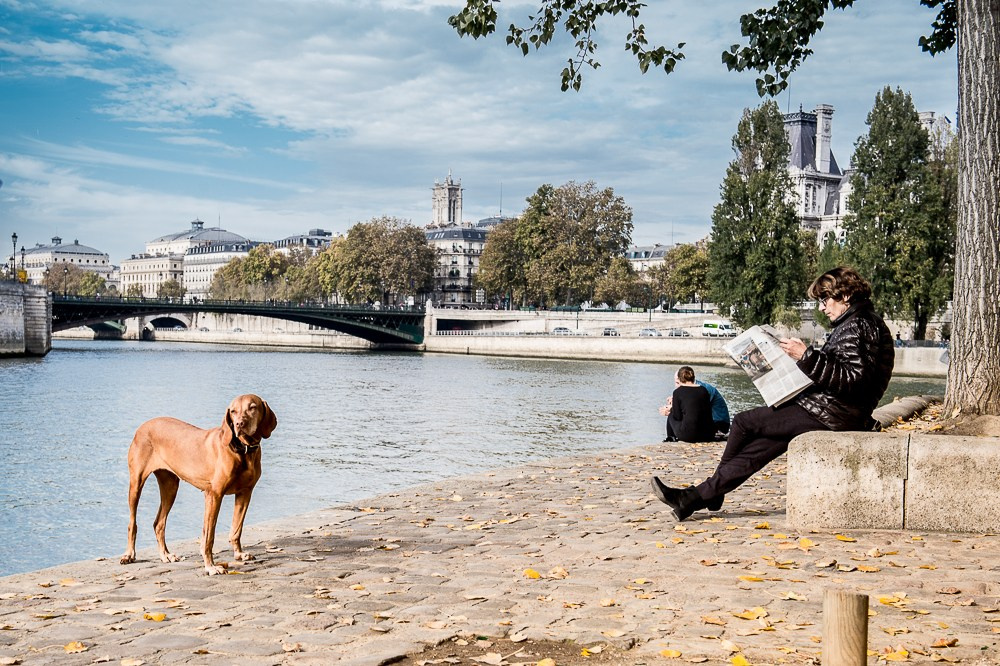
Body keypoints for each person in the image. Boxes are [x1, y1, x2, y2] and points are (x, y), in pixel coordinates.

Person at [651, 266, 895, 521]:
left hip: (834, 413)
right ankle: (690, 500)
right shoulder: (858, 323)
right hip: (833, 409)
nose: (822, 307)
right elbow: (846, 372)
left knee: (745, 422)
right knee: (758, 449)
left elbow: (854, 381)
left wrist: (807, 356)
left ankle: (709, 493)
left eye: (824, 299)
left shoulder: (859, 325)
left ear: (844, 295)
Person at [658, 366, 715, 443]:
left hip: (690, 436)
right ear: (693, 378)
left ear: (679, 379)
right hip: (708, 434)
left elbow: (677, 417)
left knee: (671, 415)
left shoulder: (678, 392)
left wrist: (670, 410)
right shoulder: (703, 390)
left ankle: (671, 438)